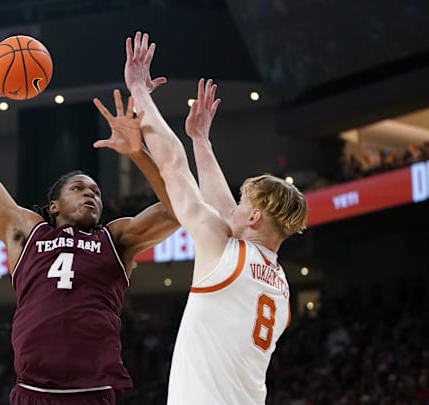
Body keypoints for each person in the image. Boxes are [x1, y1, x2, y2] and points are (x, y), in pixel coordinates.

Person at [0, 75, 179, 404]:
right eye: (78, 189)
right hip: (32, 391)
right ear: (54, 205)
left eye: (96, 193)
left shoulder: (116, 239)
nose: (90, 195)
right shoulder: (27, 232)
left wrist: (138, 154)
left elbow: (177, 211)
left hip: (92, 392)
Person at [123, 31, 309, 404]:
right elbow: (225, 210)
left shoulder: (224, 252)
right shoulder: (280, 286)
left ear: (255, 217)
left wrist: (139, 92)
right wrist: (201, 141)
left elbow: (173, 167)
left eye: (243, 202)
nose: (232, 208)